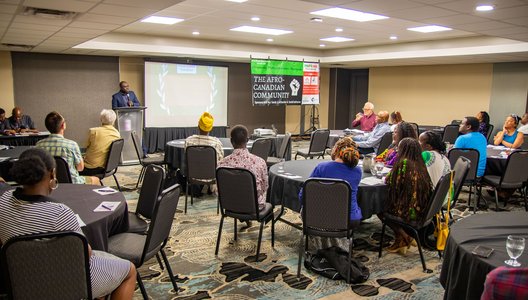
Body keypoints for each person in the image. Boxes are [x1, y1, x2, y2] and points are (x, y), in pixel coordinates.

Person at [0, 148, 136, 299]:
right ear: (52, 174)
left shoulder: (3, 202)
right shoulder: (60, 213)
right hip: (65, 282)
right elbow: (85, 253)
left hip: (20, 280)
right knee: (129, 271)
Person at [383, 138, 433, 254]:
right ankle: (402, 239)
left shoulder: (403, 163)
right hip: (424, 210)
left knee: (380, 207)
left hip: (410, 212)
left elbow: (390, 183)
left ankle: (404, 237)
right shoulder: (420, 164)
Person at [299, 136, 362, 223]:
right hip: (349, 219)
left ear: (336, 150)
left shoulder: (322, 167)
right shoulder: (358, 171)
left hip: (319, 217)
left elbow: (304, 194)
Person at [36, 111, 100, 185]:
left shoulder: (39, 145)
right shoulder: (72, 145)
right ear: (63, 125)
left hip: (48, 184)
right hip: (72, 183)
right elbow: (80, 168)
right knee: (96, 179)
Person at [218, 125, 268, 211]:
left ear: (231, 141)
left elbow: (218, 190)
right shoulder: (260, 162)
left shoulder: (221, 164)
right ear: (247, 140)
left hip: (229, 205)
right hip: (254, 207)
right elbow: (264, 187)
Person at [80, 109, 121, 176]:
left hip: (91, 168)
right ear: (114, 120)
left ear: (101, 119)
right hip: (108, 167)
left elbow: (84, 147)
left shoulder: (93, 131)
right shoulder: (117, 134)